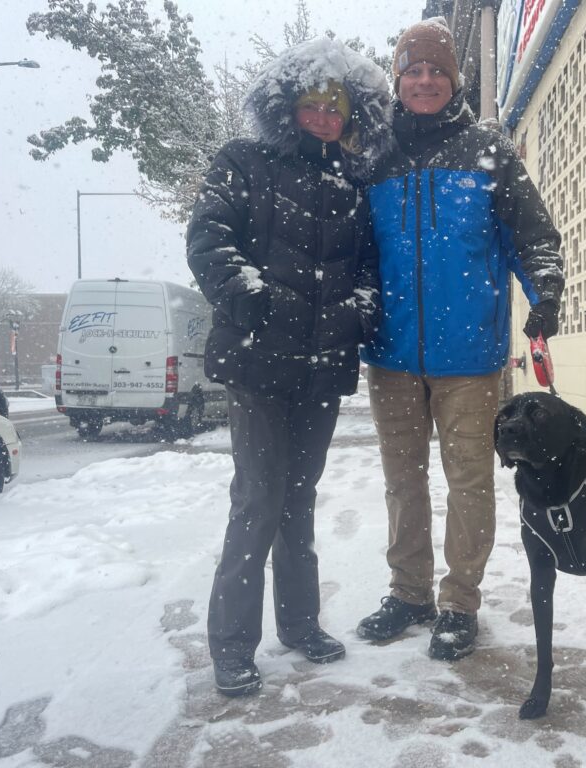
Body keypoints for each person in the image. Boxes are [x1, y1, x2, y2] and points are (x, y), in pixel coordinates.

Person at [186, 37, 392, 697]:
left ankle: (300, 625)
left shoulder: (352, 183)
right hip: (256, 365)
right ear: (289, 105)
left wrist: (361, 312)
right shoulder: (243, 162)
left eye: (337, 106)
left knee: (298, 501)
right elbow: (209, 237)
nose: (326, 116)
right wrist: (250, 298)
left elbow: (367, 268)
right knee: (257, 500)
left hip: (322, 368)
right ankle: (231, 646)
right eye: (314, 103)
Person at [356, 18, 564, 661]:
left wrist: (545, 291)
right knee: (402, 479)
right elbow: (351, 250)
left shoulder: (489, 149)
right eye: (413, 70)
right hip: (390, 353)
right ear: (398, 77)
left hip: (469, 356)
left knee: (469, 480)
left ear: (455, 79)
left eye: (436, 71)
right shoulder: (373, 156)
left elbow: (534, 235)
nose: (425, 81)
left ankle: (458, 601)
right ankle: (409, 591)